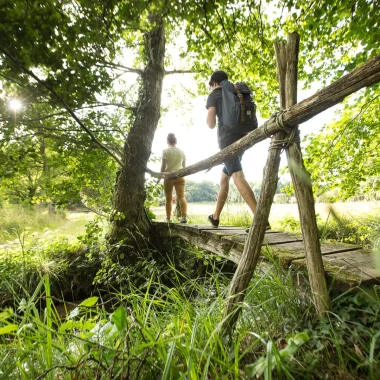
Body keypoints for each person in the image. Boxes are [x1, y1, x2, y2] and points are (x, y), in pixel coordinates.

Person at [206, 70, 260, 228]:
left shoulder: (215, 94)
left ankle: (260, 220)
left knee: (237, 175)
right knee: (224, 178)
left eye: (211, 85)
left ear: (214, 83)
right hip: (243, 138)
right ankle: (215, 217)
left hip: (227, 141)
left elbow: (210, 124)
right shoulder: (236, 93)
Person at [157, 133, 188, 223]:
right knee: (182, 197)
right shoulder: (181, 152)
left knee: (168, 198)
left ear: (167, 141)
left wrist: (159, 178)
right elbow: (184, 167)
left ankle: (168, 218)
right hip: (179, 176)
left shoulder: (165, 151)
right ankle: (183, 217)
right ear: (176, 141)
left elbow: (163, 167)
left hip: (168, 177)